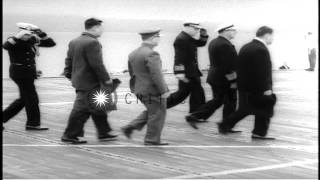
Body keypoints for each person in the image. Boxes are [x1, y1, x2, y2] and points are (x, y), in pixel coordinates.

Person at [61, 18, 117, 144]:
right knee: (81, 109)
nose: (102, 31)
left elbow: (68, 60)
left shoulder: (74, 41)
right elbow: (97, 64)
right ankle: (69, 135)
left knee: (98, 106)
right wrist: (106, 79)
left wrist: (70, 74)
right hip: (90, 82)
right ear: (95, 28)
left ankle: (104, 132)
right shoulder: (93, 42)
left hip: (80, 80)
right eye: (101, 28)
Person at [218, 26, 277, 140]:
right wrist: (266, 88)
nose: (272, 39)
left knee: (245, 109)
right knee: (265, 108)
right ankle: (258, 133)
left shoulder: (246, 47)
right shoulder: (261, 49)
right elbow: (262, 71)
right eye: (272, 36)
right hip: (258, 87)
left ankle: (225, 125)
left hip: (245, 86)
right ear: (267, 35)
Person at [185, 24, 240, 130]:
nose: (235, 32)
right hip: (224, 79)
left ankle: (195, 116)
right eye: (233, 30)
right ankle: (226, 125)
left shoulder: (214, 42)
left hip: (215, 77)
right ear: (225, 31)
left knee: (218, 100)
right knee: (230, 101)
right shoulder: (225, 44)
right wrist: (233, 80)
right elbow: (226, 65)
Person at [121, 29, 170, 146]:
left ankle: (130, 127)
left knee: (153, 111)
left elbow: (132, 74)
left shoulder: (133, 53)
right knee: (158, 113)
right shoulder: (152, 54)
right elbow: (156, 74)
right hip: (152, 90)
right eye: (158, 37)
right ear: (153, 38)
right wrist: (164, 90)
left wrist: (135, 88)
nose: (159, 39)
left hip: (139, 89)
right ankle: (151, 140)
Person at [3, 23, 56, 130]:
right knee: (32, 98)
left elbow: (51, 43)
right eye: (26, 34)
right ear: (21, 32)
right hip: (19, 73)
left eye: (30, 33)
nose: (29, 36)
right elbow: (6, 46)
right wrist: (18, 36)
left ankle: (28, 122)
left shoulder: (33, 40)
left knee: (24, 99)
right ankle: (33, 124)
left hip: (28, 73)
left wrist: (40, 33)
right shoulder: (14, 40)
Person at [166, 22, 209, 127]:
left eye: (198, 29)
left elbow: (200, 43)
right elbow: (178, 57)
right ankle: (195, 115)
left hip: (192, 71)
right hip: (187, 72)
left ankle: (195, 114)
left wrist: (204, 34)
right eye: (196, 29)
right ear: (189, 27)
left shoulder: (187, 37)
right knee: (191, 93)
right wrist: (179, 72)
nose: (197, 31)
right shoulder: (181, 39)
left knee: (188, 93)